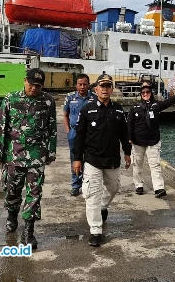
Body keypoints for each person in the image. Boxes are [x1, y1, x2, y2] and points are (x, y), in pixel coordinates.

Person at [0, 68, 57, 250]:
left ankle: (29, 231)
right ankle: (12, 214)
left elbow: (52, 128)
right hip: (14, 154)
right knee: (11, 190)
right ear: (24, 81)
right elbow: (1, 125)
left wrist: (51, 151)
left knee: (34, 193)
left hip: (36, 156)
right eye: (31, 84)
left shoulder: (48, 102)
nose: (34, 88)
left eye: (38, 85)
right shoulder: (10, 99)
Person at [72, 73, 131, 247]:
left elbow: (124, 134)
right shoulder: (87, 110)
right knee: (92, 194)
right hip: (92, 159)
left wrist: (127, 153)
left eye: (108, 86)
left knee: (113, 189)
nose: (105, 89)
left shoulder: (119, 110)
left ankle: (103, 207)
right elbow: (79, 137)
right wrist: (77, 159)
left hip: (112, 159)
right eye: (102, 86)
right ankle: (95, 231)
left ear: (112, 89)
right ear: (96, 89)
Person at [128, 82, 175, 198]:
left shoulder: (156, 105)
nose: (145, 94)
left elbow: (167, 103)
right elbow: (130, 123)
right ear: (140, 94)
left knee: (155, 165)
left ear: (151, 93)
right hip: (138, 141)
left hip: (153, 140)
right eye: (143, 92)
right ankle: (139, 185)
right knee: (137, 164)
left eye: (147, 92)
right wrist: (129, 138)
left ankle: (159, 188)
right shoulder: (135, 108)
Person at [63, 74, 97, 196]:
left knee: (89, 158)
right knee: (75, 158)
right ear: (76, 85)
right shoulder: (70, 97)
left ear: (88, 85)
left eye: (85, 84)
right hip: (74, 132)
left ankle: (88, 184)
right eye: (80, 84)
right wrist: (68, 131)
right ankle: (76, 185)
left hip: (90, 134)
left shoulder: (94, 98)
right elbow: (65, 115)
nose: (82, 87)